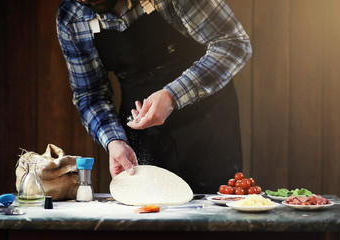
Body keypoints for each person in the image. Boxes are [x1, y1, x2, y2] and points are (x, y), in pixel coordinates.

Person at [56, 0, 252, 193]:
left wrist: (172, 95)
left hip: (208, 126)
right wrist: (114, 141)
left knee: (213, 215)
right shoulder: (72, 16)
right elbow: (90, 94)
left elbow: (233, 44)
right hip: (143, 136)